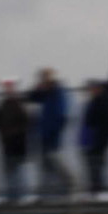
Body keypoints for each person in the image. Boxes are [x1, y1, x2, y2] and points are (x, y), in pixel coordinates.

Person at [29, 68, 71, 198]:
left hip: (51, 135)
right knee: (46, 165)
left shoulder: (57, 93)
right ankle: (49, 191)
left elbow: (61, 116)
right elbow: (31, 97)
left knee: (53, 160)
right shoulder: (45, 93)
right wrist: (39, 86)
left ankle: (67, 185)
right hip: (43, 135)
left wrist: (54, 132)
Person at [79, 76, 108, 198]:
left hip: (98, 139)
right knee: (94, 165)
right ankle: (96, 188)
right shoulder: (95, 102)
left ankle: (98, 188)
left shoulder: (101, 102)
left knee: (97, 165)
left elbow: (94, 121)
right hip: (94, 139)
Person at [0, 81, 29, 204]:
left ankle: (17, 197)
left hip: (16, 143)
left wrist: (13, 134)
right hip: (8, 144)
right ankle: (12, 196)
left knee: (17, 171)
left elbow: (25, 123)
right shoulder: (5, 104)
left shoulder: (17, 104)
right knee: (10, 171)